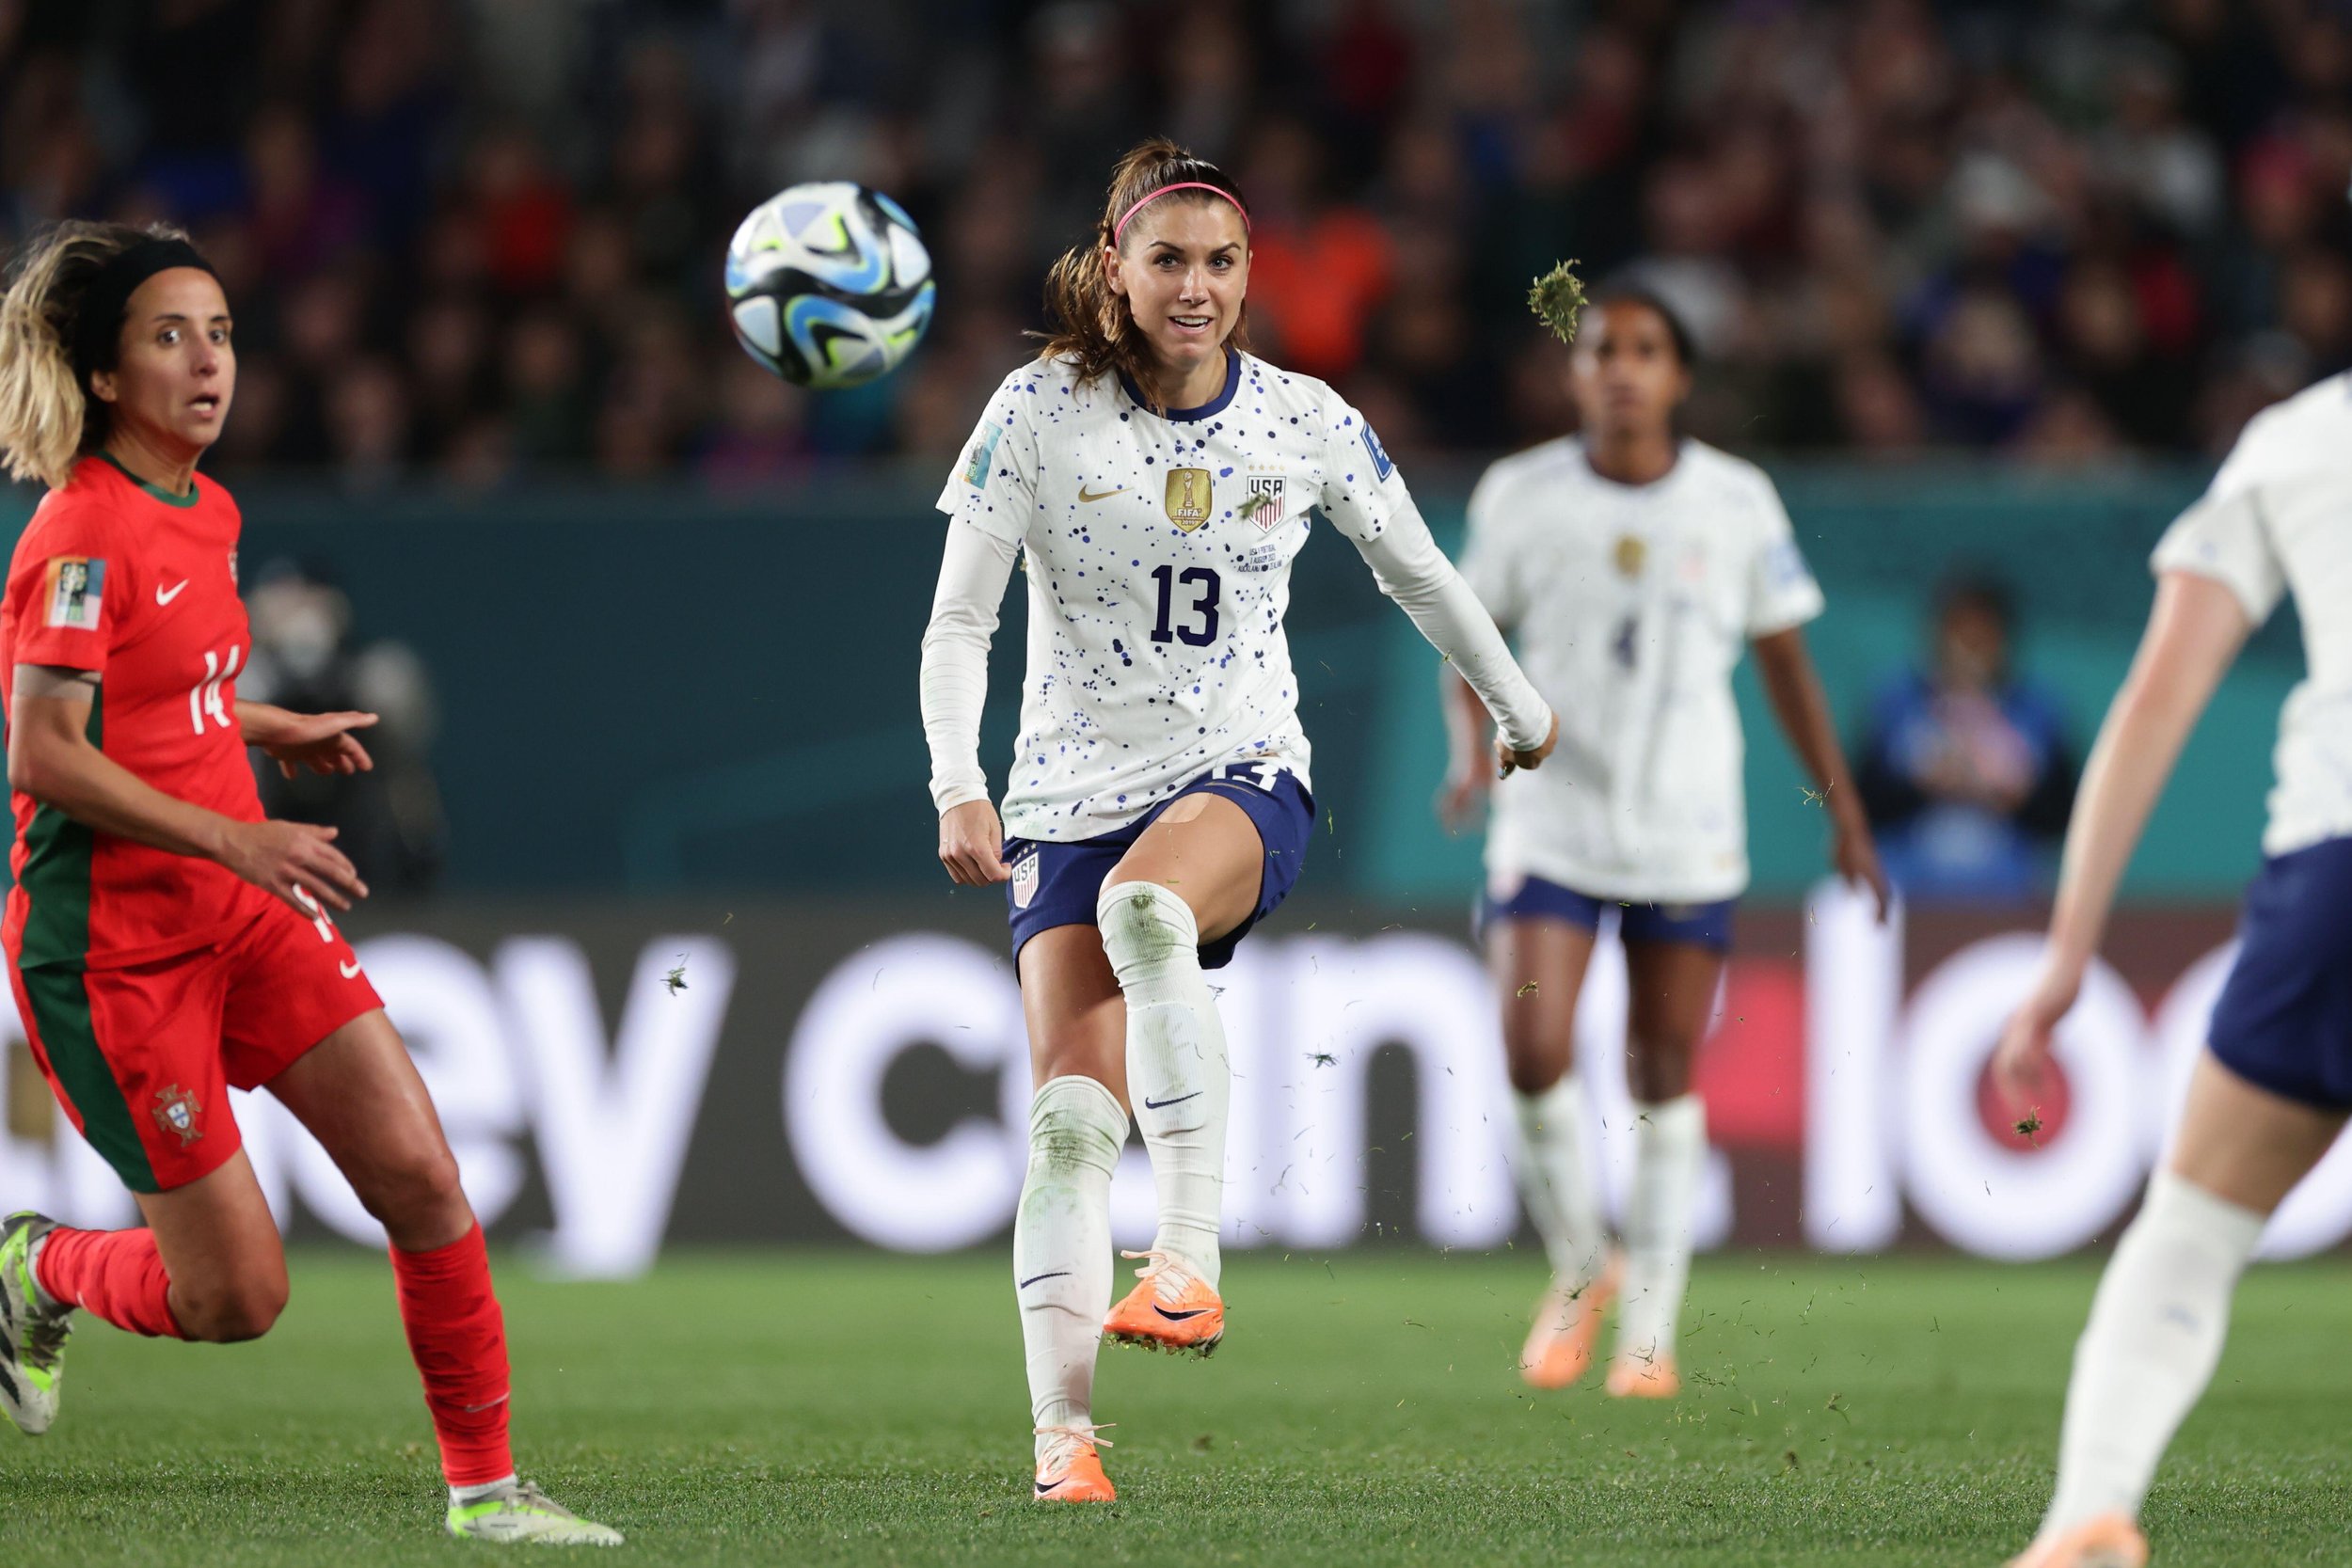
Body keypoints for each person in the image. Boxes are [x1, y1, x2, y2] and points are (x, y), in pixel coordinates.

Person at [920, 138, 1557, 1504]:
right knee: (1069, 1129)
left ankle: (1190, 1255)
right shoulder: (1034, 411)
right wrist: (955, 782)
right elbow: (960, 617)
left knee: (1144, 908)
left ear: (1251, 276)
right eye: (1167, 260)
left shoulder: (1306, 421)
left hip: (1242, 769)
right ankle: (1063, 1447)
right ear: (1115, 268)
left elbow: (1418, 570)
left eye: (1218, 262)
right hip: (1061, 798)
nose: (1194, 287)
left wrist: (1517, 703)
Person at [0, 222, 617, 1546]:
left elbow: (166, 694)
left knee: (424, 1176)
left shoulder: (205, 508)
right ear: (105, 375)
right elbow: (45, 749)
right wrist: (234, 832)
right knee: (236, 1296)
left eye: (219, 331)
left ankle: (489, 1493)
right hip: (111, 954)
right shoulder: (80, 528)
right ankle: (35, 1261)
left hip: (243, 912)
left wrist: (261, 728)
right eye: (170, 335)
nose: (208, 359)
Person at [1439, 289, 1887, 1400]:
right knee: (1532, 1049)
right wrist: (1466, 750)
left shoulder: (1736, 500)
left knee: (1661, 1067)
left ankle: (1649, 1326)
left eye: (1646, 351)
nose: (1624, 369)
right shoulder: (1522, 494)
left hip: (1686, 823)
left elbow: (1785, 659)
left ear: (1681, 376)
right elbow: (1463, 638)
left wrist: (1841, 807)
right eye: (1603, 351)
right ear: (1574, 373)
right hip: (1549, 813)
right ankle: (1582, 1262)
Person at [1990, 372, 2350, 1568]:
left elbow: (2154, 698)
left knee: (2192, 1222)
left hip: (2335, 865)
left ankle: (2086, 1510)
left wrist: (2065, 954)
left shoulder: (2298, 438)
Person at [1853, 573, 2077, 901]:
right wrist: (1923, 781)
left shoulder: (2040, 710)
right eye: (1959, 630)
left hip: (2011, 900)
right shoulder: (1895, 702)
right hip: (1906, 897)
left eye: (1982, 633)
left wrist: (2013, 790)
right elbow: (1859, 809)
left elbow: (2064, 819)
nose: (1970, 645)